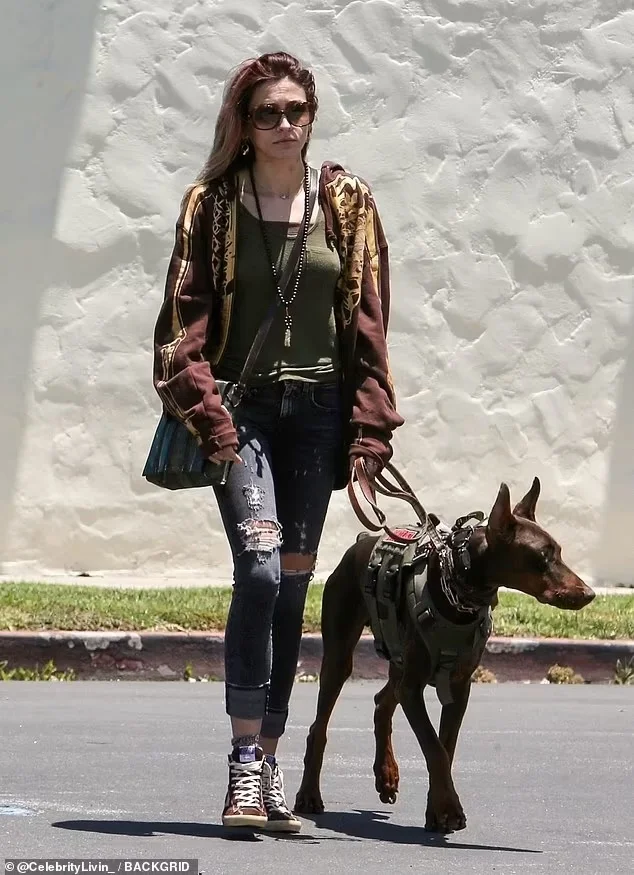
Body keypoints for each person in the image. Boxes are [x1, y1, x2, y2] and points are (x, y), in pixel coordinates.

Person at [152, 51, 403, 832]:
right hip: (245, 416)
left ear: (312, 116)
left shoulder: (350, 203)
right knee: (258, 568)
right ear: (244, 121)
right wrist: (217, 429)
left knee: (294, 587)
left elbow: (369, 321)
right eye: (269, 113)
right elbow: (176, 335)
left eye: (297, 111)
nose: (285, 124)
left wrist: (369, 426)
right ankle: (242, 766)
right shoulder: (213, 205)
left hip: (319, 417)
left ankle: (271, 756)